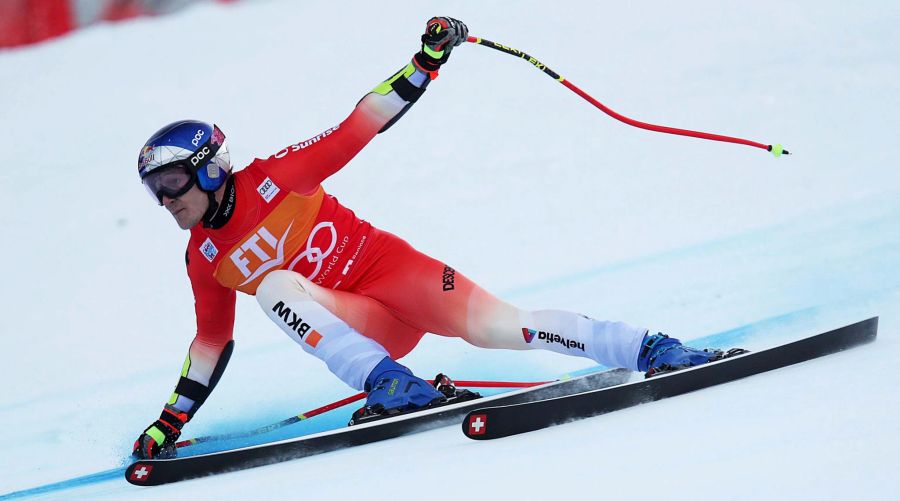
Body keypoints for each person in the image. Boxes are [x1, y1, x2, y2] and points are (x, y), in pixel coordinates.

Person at [132, 17, 727, 460]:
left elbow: (359, 124)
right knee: (277, 289)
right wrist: (168, 423)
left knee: (505, 327)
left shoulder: (275, 178)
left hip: (398, 275)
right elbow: (211, 342)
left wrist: (425, 62)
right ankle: (391, 384)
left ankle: (652, 349)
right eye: (155, 189)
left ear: (211, 167)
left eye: (174, 180)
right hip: (362, 325)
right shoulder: (203, 258)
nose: (167, 198)